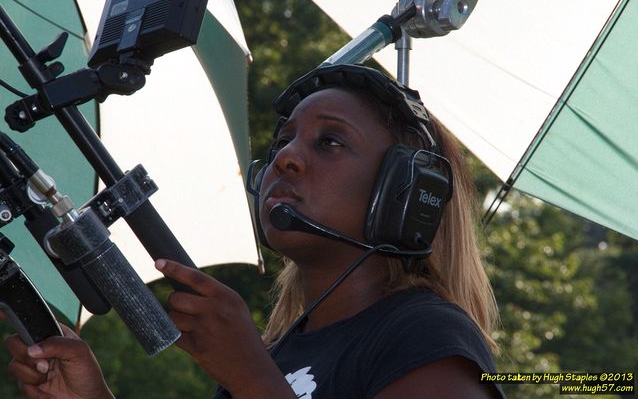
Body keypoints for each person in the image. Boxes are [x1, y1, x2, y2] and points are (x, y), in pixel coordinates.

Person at [4, 64, 504, 399]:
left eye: (329, 141)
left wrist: (250, 375)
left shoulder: (427, 335)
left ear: (407, 192)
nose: (284, 158)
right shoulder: (280, 352)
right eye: (283, 140)